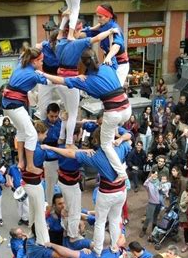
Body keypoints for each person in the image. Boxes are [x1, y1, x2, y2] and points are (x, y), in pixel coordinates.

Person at [42, 49, 132, 181]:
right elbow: (115, 56)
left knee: (106, 145)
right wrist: (109, 50)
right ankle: (118, 145)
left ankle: (121, 173)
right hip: (127, 108)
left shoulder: (86, 80)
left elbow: (62, 80)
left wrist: (43, 74)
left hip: (113, 112)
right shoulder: (106, 67)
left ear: (82, 64)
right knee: (114, 136)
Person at [55, 23, 116, 147]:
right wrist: (110, 31)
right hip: (70, 80)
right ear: (75, 31)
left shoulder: (60, 42)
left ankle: (62, 137)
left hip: (59, 80)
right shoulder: (78, 43)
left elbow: (61, 31)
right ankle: (68, 142)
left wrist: (67, 18)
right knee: (72, 114)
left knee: (67, 112)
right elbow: (98, 38)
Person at [2, 46, 48, 174]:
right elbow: (49, 81)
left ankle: (21, 161)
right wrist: (68, 80)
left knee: (22, 132)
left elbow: (23, 54)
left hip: (9, 104)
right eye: (41, 61)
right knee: (32, 135)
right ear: (34, 62)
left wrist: (37, 47)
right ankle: (30, 166)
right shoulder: (32, 75)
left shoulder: (21, 63)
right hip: (14, 106)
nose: (42, 63)